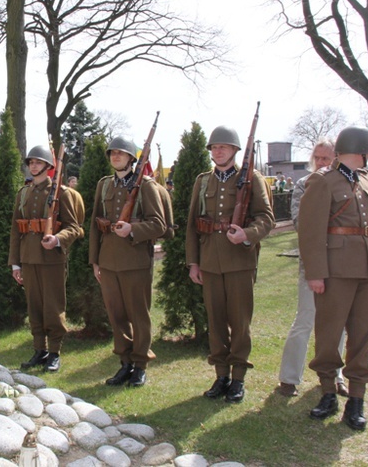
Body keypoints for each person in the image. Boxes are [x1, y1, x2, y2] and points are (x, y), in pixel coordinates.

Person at [299, 127, 368, 431]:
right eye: (367, 153)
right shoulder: (323, 180)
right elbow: (310, 231)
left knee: (363, 334)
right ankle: (327, 392)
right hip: (336, 269)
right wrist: (315, 273)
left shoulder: (366, 179)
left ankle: (357, 399)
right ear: (357, 151)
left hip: (367, 267)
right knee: (328, 333)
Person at [186, 126, 274, 403]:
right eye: (214, 147)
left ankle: (237, 378)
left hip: (239, 262)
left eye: (224, 146)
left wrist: (247, 234)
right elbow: (192, 225)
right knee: (216, 321)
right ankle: (221, 375)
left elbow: (266, 218)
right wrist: (193, 263)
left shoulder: (252, 179)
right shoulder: (202, 182)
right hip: (210, 261)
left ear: (236, 150)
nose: (218, 150)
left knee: (239, 322)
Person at [89, 137, 167, 387]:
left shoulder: (145, 185)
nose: (115, 157)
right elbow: (94, 225)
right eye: (112, 153)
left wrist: (132, 229)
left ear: (132, 158)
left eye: (121, 154)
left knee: (138, 315)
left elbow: (159, 224)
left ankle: (140, 364)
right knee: (116, 316)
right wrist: (95, 260)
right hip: (108, 261)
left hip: (135, 262)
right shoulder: (104, 185)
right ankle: (125, 363)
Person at [277, 140, 348, 398]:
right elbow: (300, 222)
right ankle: (289, 378)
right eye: (317, 158)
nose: (321, 163)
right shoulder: (302, 185)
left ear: (336, 159)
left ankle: (335, 375)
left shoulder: (344, 185)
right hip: (313, 262)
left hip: (341, 263)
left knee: (337, 322)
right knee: (305, 319)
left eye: (326, 159)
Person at [9, 145, 85, 373]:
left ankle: (54, 352)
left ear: (49, 166)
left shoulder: (62, 193)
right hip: (29, 258)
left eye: (38, 162)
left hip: (52, 258)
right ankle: (39, 349)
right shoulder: (23, 193)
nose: (34, 165)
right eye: (31, 162)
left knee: (53, 307)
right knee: (34, 307)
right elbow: (15, 230)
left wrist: (58, 239)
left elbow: (75, 228)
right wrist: (15, 263)